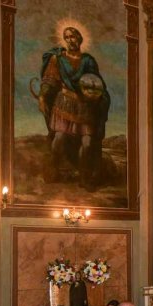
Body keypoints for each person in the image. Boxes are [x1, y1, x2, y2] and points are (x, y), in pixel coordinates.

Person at [37, 26, 110, 189]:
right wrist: (42, 96)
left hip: (84, 106)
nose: (70, 40)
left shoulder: (88, 60)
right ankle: (54, 168)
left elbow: (96, 84)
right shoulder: (58, 59)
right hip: (64, 102)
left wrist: (97, 96)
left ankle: (84, 176)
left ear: (79, 39)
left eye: (73, 37)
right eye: (67, 37)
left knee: (88, 142)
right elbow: (49, 80)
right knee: (60, 137)